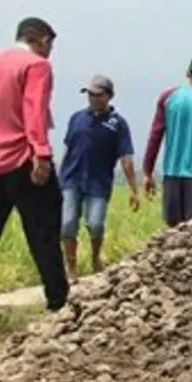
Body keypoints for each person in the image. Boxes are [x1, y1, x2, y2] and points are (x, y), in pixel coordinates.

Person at [0, 17, 72, 315]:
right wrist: (40, 155)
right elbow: (34, 111)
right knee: (43, 229)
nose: (50, 52)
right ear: (41, 40)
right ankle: (58, 300)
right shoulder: (36, 66)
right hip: (21, 159)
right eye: (50, 45)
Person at [59, 75, 139, 280]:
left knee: (95, 224)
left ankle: (95, 257)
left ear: (109, 96)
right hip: (71, 179)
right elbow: (68, 149)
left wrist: (132, 189)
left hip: (98, 182)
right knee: (67, 223)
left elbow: (126, 158)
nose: (93, 98)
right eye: (90, 94)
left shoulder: (117, 124)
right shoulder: (77, 118)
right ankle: (71, 267)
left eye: (98, 94)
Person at [142, 55, 192, 227]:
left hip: (172, 173)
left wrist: (148, 172)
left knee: (175, 229)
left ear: (188, 73)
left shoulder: (168, 98)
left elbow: (155, 136)